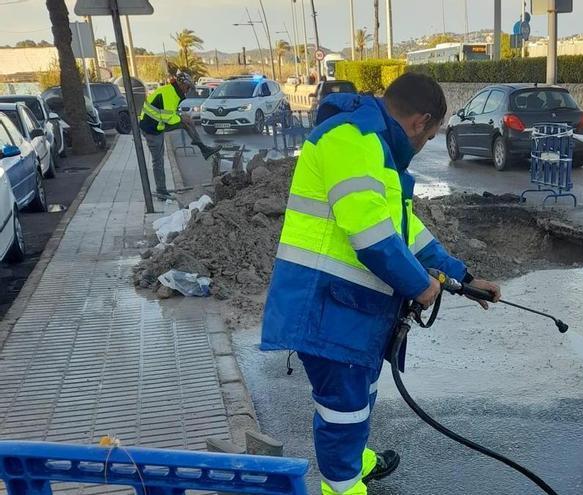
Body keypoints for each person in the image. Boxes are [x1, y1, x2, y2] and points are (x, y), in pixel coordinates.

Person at [261, 73, 501, 495]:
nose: (423, 146)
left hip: (350, 308)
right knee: (342, 412)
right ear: (419, 122)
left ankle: (357, 461)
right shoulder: (350, 139)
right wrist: (420, 285)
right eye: (428, 138)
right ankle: (343, 487)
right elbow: (371, 236)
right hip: (325, 307)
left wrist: (463, 277)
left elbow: (405, 232)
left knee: (360, 395)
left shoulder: (376, 148)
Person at [138, 70, 220, 199]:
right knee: (158, 160)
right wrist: (182, 118)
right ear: (181, 85)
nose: (188, 91)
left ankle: (203, 149)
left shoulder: (173, 92)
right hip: (152, 129)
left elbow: (169, 114)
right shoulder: (170, 94)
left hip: (157, 124)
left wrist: (183, 118)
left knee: (187, 122)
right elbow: (168, 119)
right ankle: (161, 190)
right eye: (187, 87)